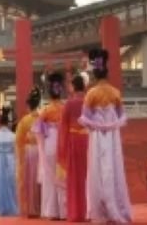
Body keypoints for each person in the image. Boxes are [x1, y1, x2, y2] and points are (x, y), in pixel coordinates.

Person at [78, 48, 132, 223]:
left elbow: (84, 118)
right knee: (114, 169)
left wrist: (99, 125)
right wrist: (111, 125)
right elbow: (122, 116)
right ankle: (116, 207)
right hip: (112, 137)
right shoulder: (115, 92)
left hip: (97, 136)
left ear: (94, 74)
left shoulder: (91, 94)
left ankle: (100, 209)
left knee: (98, 171)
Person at [34, 73, 66, 220]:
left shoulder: (45, 111)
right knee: (63, 176)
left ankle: (52, 211)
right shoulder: (65, 108)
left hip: (50, 144)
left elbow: (37, 130)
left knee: (50, 177)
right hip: (63, 143)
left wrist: (47, 132)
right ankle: (64, 211)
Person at [59, 72, 89, 222]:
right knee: (88, 176)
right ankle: (89, 211)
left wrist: (62, 147)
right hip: (88, 141)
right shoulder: (89, 101)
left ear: (73, 87)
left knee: (75, 177)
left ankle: (76, 212)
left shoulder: (69, 104)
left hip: (73, 141)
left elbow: (63, 127)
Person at [15, 88, 41, 218]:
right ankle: (41, 207)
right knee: (39, 180)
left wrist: (20, 155)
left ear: (28, 105)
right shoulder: (43, 118)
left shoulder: (24, 121)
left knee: (29, 180)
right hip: (41, 151)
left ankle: (31, 208)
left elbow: (18, 140)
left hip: (29, 151)